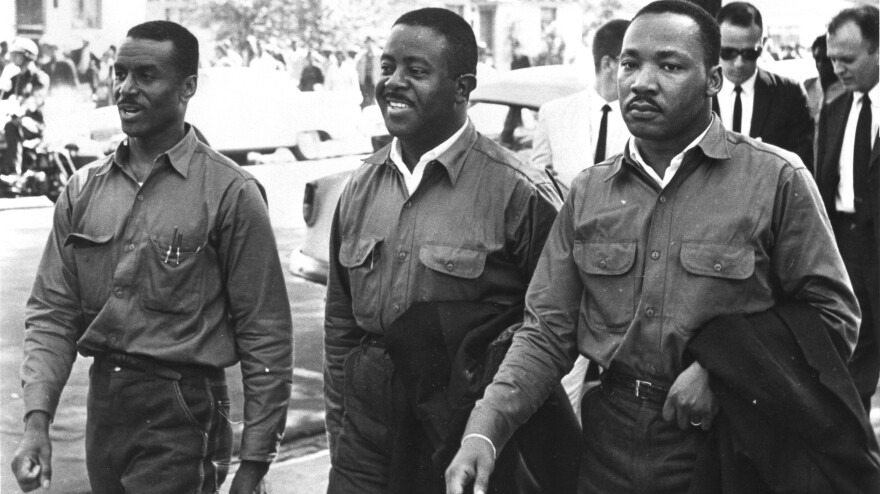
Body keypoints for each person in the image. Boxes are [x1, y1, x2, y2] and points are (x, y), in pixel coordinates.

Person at [446, 1, 860, 492]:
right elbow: (545, 333)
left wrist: (724, 375)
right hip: (609, 450)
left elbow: (833, 318)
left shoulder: (775, 179)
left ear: (712, 80)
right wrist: (485, 429)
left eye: (669, 65)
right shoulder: (588, 193)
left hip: (730, 448)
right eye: (629, 63)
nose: (641, 81)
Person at [10, 21, 293, 494]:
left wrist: (255, 461)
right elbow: (52, 313)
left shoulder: (230, 192)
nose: (125, 89)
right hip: (106, 406)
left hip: (183, 409)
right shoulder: (83, 188)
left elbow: (264, 332)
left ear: (187, 88)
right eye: (119, 73)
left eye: (145, 75)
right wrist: (37, 423)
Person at [324, 8, 563, 493]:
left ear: (462, 87)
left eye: (416, 71)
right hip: (366, 436)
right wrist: (341, 426)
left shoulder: (518, 191)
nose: (392, 82)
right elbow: (341, 321)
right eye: (387, 67)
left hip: (460, 430)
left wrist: (491, 427)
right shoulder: (360, 187)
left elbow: (553, 327)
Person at [816, 5, 879, 412]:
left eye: (848, 59)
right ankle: (855, 458)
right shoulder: (835, 107)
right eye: (833, 58)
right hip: (846, 248)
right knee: (853, 356)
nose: (837, 68)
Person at [712, 2, 814, 167]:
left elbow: (802, 169)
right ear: (716, 45)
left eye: (749, 53)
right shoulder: (697, 92)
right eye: (728, 53)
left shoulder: (789, 94)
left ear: (763, 44)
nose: (739, 63)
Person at [532, 19, 631, 186]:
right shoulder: (553, 113)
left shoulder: (647, 117)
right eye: (631, 64)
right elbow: (538, 181)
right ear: (607, 64)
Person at [1, 37, 49, 177]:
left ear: (27, 55)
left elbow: (35, 99)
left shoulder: (39, 77)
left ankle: (13, 173)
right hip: (16, 120)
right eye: (13, 54)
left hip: (34, 124)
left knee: (12, 126)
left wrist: (21, 109)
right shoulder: (15, 79)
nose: (13, 57)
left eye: (17, 54)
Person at [804, 34, 846, 126]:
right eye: (817, 59)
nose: (821, 64)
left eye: (826, 60)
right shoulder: (807, 87)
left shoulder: (848, 90)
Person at [355, 36, 381, 108]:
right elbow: (357, 67)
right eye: (367, 43)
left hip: (374, 77)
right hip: (364, 77)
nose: (369, 45)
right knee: (364, 92)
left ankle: (372, 104)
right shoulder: (361, 54)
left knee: (373, 93)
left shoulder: (378, 54)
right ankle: (366, 103)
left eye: (370, 42)